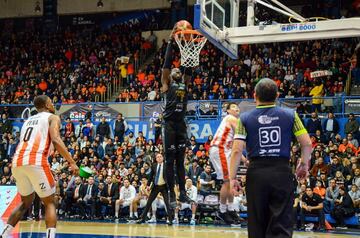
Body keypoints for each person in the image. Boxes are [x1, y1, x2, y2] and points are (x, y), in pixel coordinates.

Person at [229, 78, 312, 238]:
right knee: (281, 223)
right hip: (282, 172)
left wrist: (232, 178)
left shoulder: (244, 119)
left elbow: (237, 150)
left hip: (256, 174)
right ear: (277, 95)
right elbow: (307, 143)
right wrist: (303, 164)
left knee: (257, 224)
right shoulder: (291, 115)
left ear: (255, 96)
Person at [0, 95, 79, 238]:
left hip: (17, 162)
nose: (53, 104)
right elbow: (55, 139)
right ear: (48, 104)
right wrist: (72, 162)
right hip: (35, 161)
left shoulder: (28, 121)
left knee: (25, 202)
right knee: (50, 202)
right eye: (51, 101)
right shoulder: (52, 117)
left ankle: (5, 234)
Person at [161, 25, 193, 207]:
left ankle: (182, 193)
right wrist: (171, 42)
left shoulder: (185, 82)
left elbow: (188, 66)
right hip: (169, 125)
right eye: (174, 71)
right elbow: (166, 64)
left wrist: (187, 45)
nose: (176, 70)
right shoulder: (166, 83)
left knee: (181, 161)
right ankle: (171, 194)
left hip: (181, 124)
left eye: (178, 70)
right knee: (170, 160)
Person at [209, 102, 243, 225]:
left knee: (231, 180)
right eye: (233, 107)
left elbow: (237, 145)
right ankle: (222, 211)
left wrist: (245, 160)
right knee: (228, 181)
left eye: (237, 107)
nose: (236, 108)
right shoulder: (231, 118)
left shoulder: (233, 125)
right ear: (228, 111)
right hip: (220, 148)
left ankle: (230, 209)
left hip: (225, 150)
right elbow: (244, 138)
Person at [136, 153, 174, 225]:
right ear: (156, 159)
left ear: (163, 158)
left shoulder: (166, 166)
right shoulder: (154, 165)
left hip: (164, 187)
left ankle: (170, 220)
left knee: (167, 203)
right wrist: (147, 185)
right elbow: (151, 176)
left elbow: (171, 176)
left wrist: (171, 186)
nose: (159, 158)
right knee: (149, 202)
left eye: (160, 157)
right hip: (155, 186)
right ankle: (143, 219)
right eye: (158, 157)